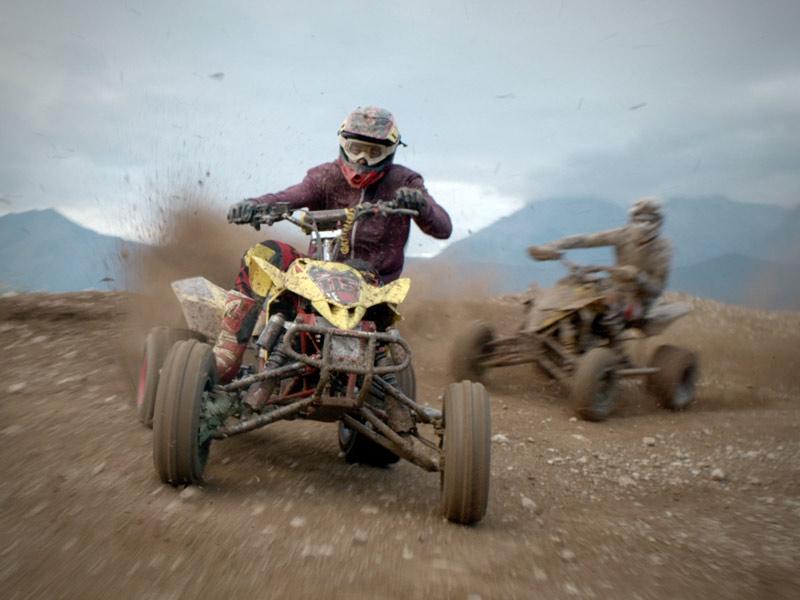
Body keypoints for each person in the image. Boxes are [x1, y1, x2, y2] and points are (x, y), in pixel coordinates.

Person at [214, 106, 452, 386]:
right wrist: (254, 205)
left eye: (373, 152)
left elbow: (443, 227)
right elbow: (289, 196)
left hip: (371, 290)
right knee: (267, 253)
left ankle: (371, 380)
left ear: (390, 150)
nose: (362, 159)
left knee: (357, 268)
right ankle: (228, 353)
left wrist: (420, 205)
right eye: (356, 148)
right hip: (314, 280)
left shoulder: (405, 182)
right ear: (343, 143)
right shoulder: (325, 176)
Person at [528, 197, 672, 323]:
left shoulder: (663, 249)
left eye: (649, 220)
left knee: (612, 311)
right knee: (573, 286)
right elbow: (586, 240)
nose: (643, 225)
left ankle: (612, 342)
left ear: (658, 222)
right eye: (639, 220)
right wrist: (553, 246)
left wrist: (638, 276)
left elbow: (657, 289)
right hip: (613, 286)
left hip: (638, 298)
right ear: (632, 219)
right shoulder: (623, 235)